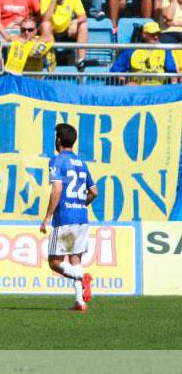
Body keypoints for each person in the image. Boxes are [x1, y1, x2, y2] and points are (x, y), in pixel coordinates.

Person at [40, 123, 97, 312]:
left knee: (55, 262)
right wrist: (80, 204)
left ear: (58, 140)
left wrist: (48, 216)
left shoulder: (57, 161)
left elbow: (57, 188)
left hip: (65, 218)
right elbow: (94, 191)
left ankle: (82, 278)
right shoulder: (81, 163)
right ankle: (80, 302)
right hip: (82, 217)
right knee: (75, 259)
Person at [39, 0, 88, 67]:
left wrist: (75, 21)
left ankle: (81, 61)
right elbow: (45, 19)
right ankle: (48, 61)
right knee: (45, 24)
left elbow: (83, 16)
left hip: (67, 31)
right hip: (51, 31)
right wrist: (54, 0)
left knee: (83, 25)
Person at [109, 22, 177, 85]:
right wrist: (127, 83)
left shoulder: (165, 50)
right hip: (139, 91)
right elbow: (116, 70)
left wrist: (173, 87)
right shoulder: (131, 50)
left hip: (158, 91)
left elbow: (173, 73)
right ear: (144, 35)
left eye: (158, 34)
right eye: (152, 34)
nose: (156, 37)